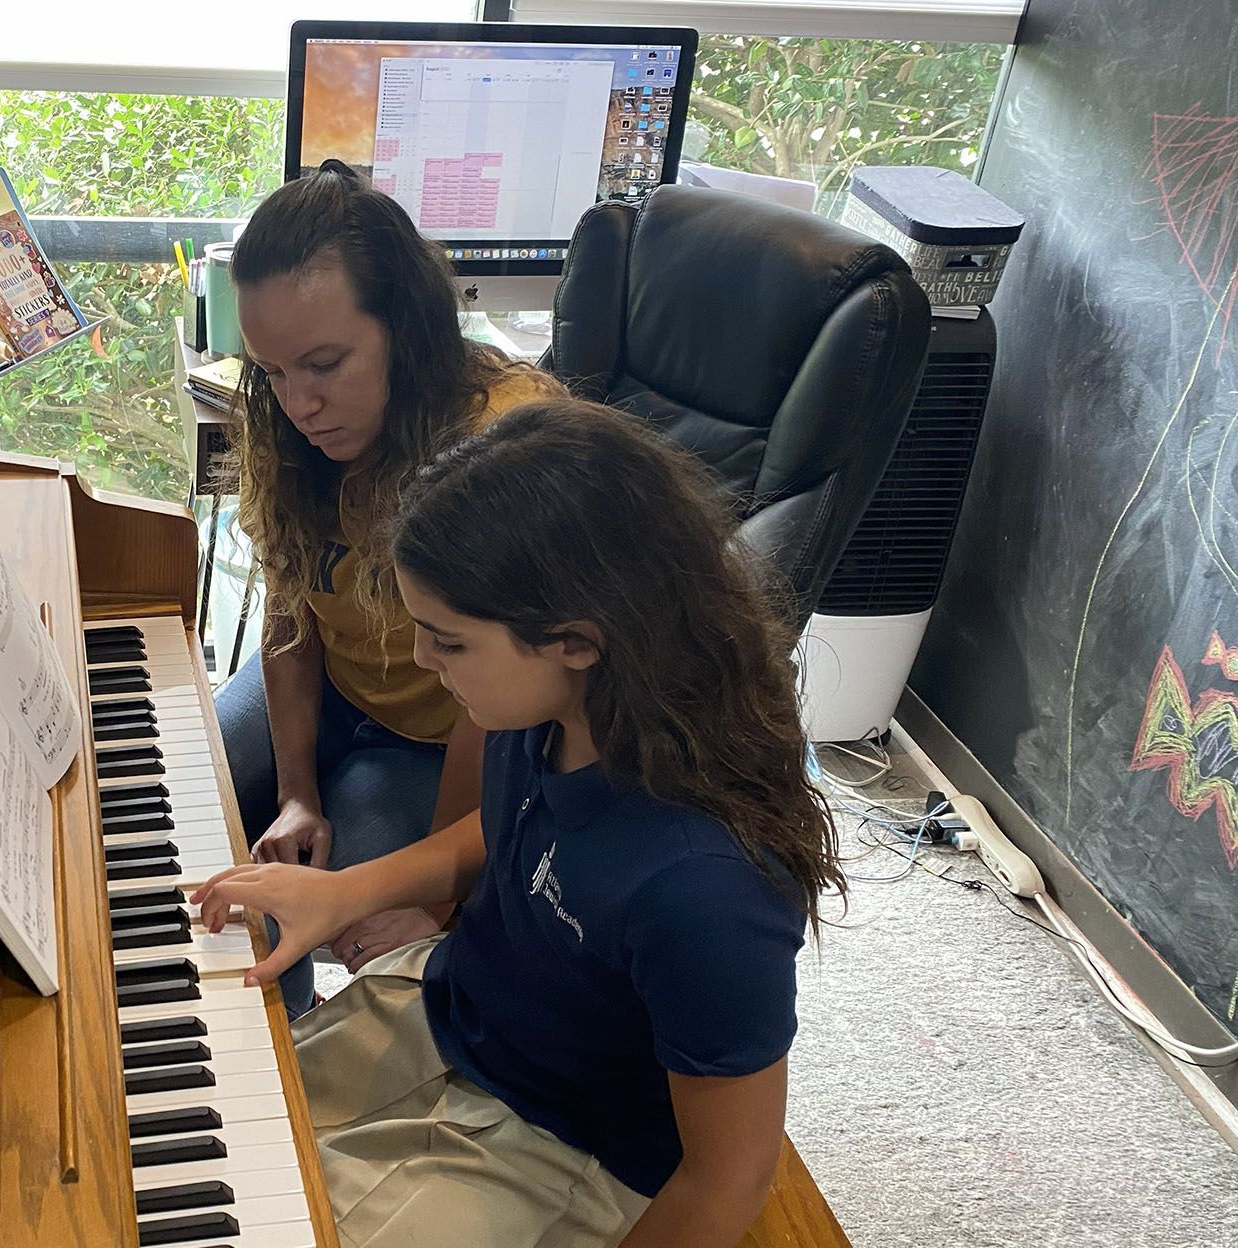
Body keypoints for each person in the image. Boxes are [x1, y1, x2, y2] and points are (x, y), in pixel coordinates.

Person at [194, 399, 848, 1248]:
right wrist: (345, 891)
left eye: (447, 641)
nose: (423, 663)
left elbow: (730, 1178)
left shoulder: (705, 891)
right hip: (451, 1008)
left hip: (559, 1143)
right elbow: (512, 835)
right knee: (202, 1130)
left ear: (576, 639)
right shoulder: (539, 712)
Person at [215, 159, 557, 1014]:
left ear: (406, 329)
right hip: (332, 684)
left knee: (355, 916)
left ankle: (283, 1086)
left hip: (452, 735)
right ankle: (250, 1044)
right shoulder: (289, 424)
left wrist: (437, 899)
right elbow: (292, 606)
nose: (298, 403)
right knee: (189, 803)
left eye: (325, 364)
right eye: (273, 372)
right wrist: (295, 789)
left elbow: (492, 696)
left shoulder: (500, 446)